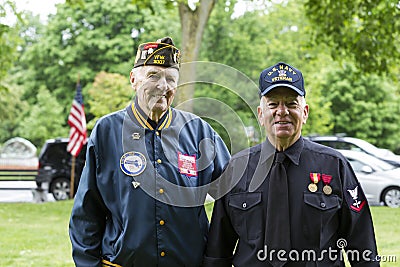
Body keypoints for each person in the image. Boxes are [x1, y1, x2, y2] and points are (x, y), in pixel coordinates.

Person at [69, 37, 230, 267]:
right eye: (153, 75)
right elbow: (86, 213)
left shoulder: (198, 131)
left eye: (170, 79)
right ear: (134, 79)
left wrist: (217, 258)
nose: (162, 86)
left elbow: (232, 197)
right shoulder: (107, 131)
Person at [203, 62, 380, 266]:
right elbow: (218, 249)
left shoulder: (334, 166)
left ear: (304, 113)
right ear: (261, 115)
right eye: (273, 104)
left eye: (291, 104)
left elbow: (362, 245)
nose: (282, 111)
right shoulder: (237, 168)